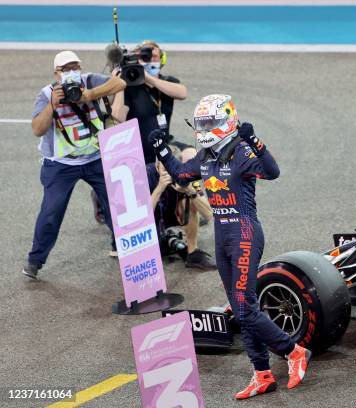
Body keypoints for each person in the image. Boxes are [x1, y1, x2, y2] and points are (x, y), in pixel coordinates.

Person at [149, 94, 311, 399]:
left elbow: (273, 172)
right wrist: (161, 149)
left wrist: (256, 140)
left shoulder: (241, 151)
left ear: (226, 121)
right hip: (224, 236)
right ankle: (262, 373)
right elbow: (182, 174)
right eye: (202, 123)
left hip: (245, 233)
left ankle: (294, 352)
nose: (205, 128)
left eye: (210, 122)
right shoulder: (207, 155)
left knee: (246, 309)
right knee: (241, 308)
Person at [23, 51, 126, 279]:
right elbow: (37, 130)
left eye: (74, 67)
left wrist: (88, 95)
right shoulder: (46, 94)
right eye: (65, 69)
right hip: (60, 165)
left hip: (95, 158)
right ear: (56, 74)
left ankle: (123, 246)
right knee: (50, 212)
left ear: (80, 67)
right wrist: (52, 105)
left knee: (118, 205)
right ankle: (35, 260)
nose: (71, 73)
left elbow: (119, 83)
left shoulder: (89, 81)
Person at [111, 40, 188, 164]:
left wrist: (149, 78)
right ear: (138, 60)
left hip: (164, 144)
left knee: (190, 155)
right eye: (146, 57)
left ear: (162, 60)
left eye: (155, 57)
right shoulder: (130, 88)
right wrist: (119, 85)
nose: (151, 60)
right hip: (139, 150)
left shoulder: (168, 82)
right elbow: (117, 118)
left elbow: (182, 93)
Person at [147, 147, 216, 270]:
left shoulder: (185, 175)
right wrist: (160, 187)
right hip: (152, 219)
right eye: (165, 169)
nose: (169, 173)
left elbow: (209, 215)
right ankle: (167, 240)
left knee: (191, 199)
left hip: (173, 213)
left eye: (173, 169)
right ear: (157, 166)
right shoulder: (147, 175)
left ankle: (192, 251)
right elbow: (141, 218)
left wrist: (190, 190)